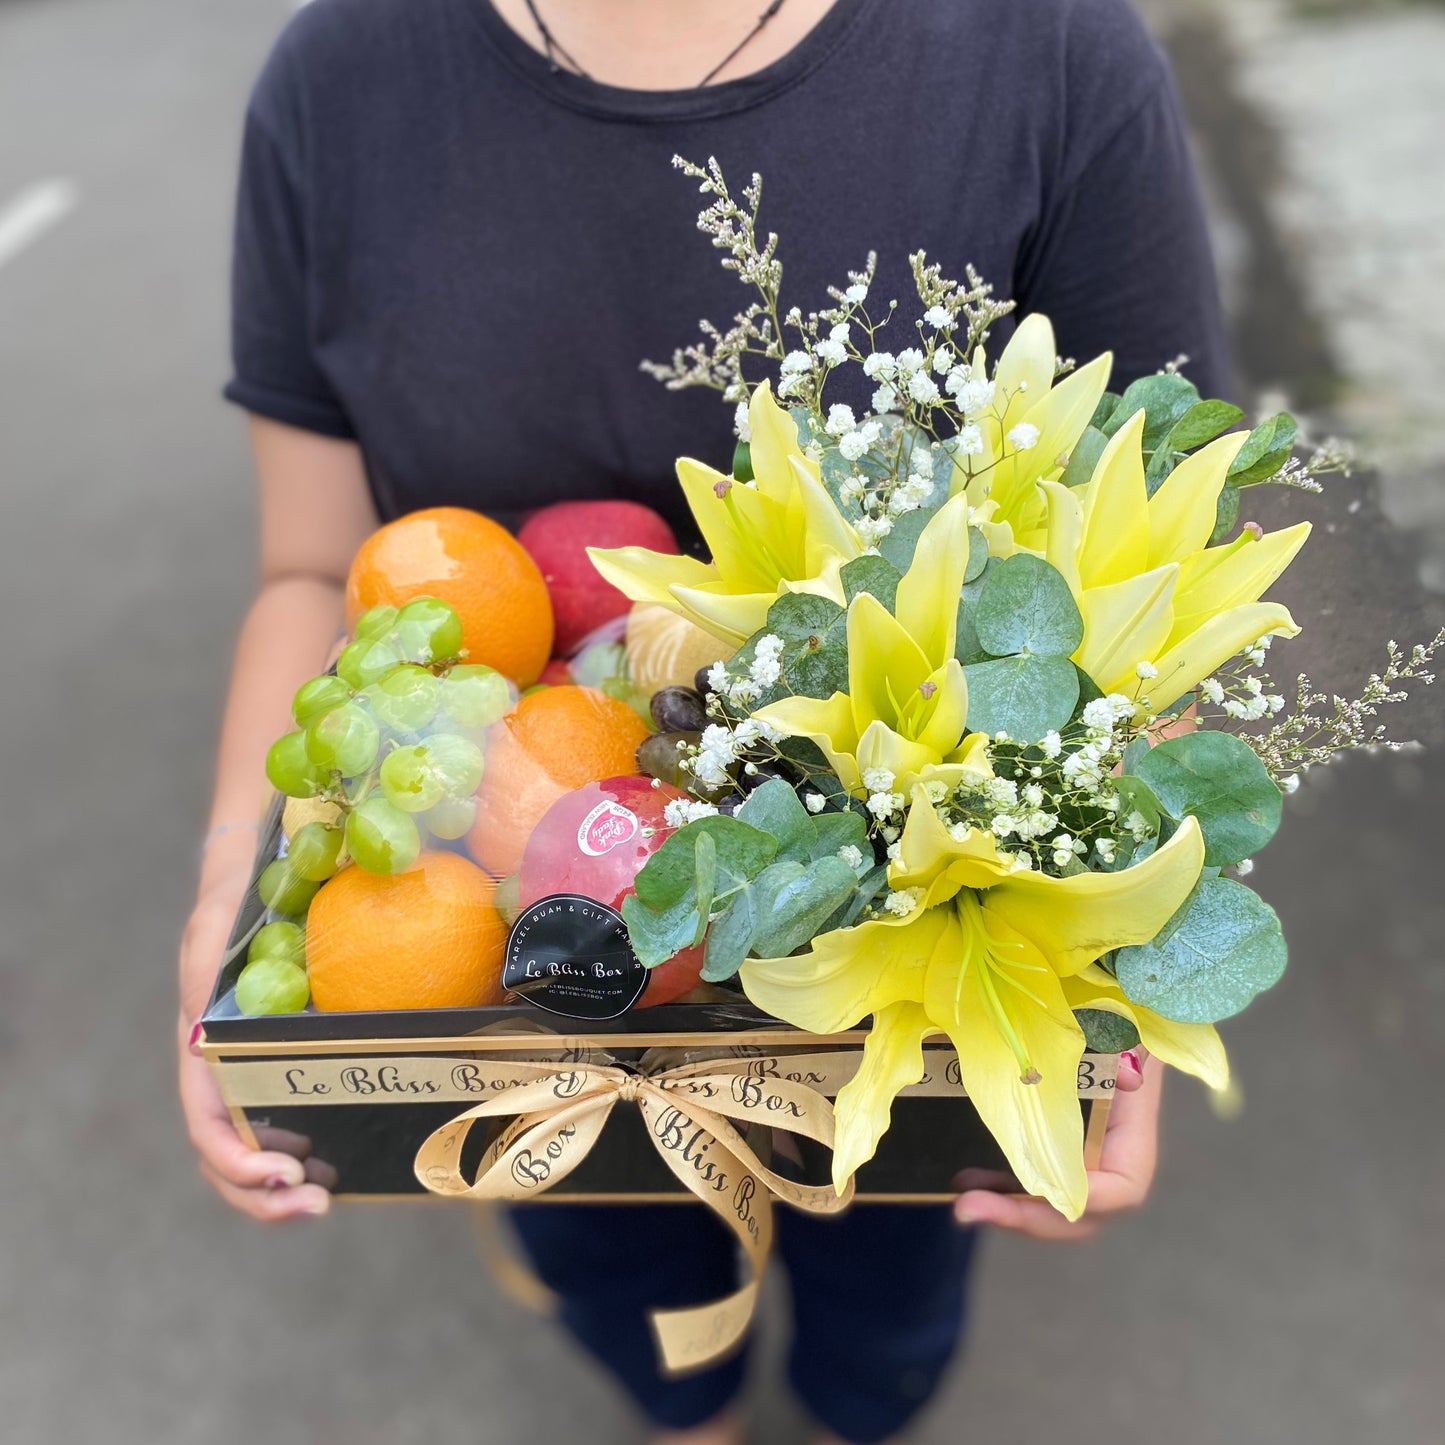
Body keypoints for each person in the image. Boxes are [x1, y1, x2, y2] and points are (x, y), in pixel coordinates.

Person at [179, 1, 1228, 1441]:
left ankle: (870, 1404)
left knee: (891, 1294)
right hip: (506, 953)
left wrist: (1131, 954)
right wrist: (229, 879)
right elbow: (309, 567)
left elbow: (1143, 576)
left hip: (901, 968)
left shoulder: (1044, 55)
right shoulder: (340, 76)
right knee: (613, 1273)